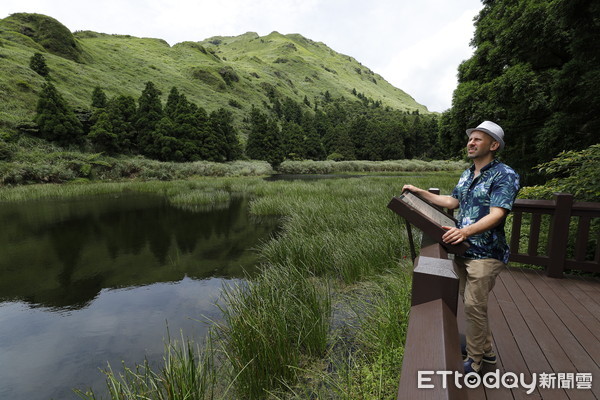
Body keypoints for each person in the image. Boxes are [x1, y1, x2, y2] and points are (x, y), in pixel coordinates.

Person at [402, 120, 520, 375]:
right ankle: (486, 352)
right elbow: (453, 201)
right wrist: (418, 191)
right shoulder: (468, 173)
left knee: (474, 305)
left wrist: (464, 231)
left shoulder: (505, 174)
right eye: (470, 139)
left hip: (487, 252)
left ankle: (476, 362)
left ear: (494, 145)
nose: (471, 142)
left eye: (478, 139)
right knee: (471, 303)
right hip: (463, 250)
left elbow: (497, 214)